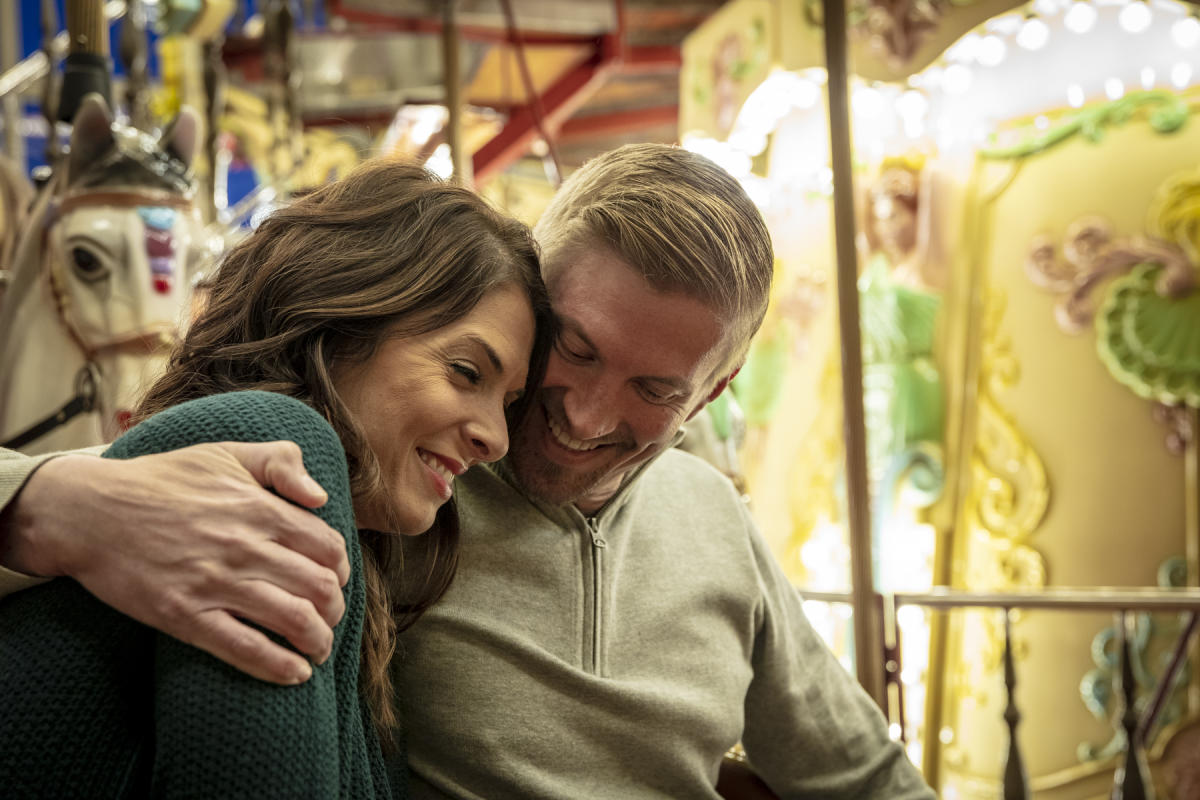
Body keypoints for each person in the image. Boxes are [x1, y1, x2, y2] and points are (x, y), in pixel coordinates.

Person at [0, 144, 935, 798]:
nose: (586, 412)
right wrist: (45, 497)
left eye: (655, 387)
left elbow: (855, 774)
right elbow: (168, 495)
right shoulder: (368, 472)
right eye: (571, 348)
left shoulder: (706, 516)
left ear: (715, 389)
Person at [0, 158, 554, 798]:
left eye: (510, 403)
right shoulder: (276, 446)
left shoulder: (359, 560)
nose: (498, 438)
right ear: (336, 323)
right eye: (465, 372)